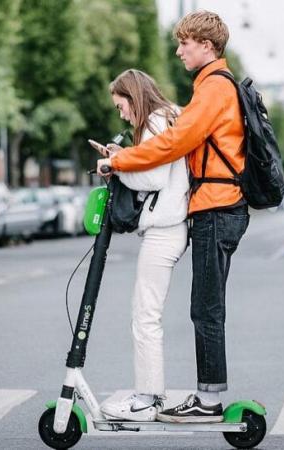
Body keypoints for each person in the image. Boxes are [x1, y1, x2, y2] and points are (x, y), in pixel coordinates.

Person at [96, 10, 247, 424]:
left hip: (218, 206)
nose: (178, 50)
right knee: (203, 306)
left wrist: (120, 161)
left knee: (206, 309)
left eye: (185, 43)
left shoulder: (215, 88)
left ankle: (208, 400)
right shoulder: (207, 88)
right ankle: (203, 396)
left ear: (207, 45)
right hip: (211, 208)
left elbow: (174, 145)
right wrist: (123, 158)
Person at [90, 69, 189, 422]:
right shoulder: (167, 117)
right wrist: (125, 156)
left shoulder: (155, 121)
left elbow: (153, 176)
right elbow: (151, 163)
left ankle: (147, 399)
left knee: (145, 316)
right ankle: (150, 395)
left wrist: (115, 165)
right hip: (169, 228)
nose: (121, 114)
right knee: (146, 314)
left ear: (134, 97)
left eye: (121, 106)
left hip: (164, 229)